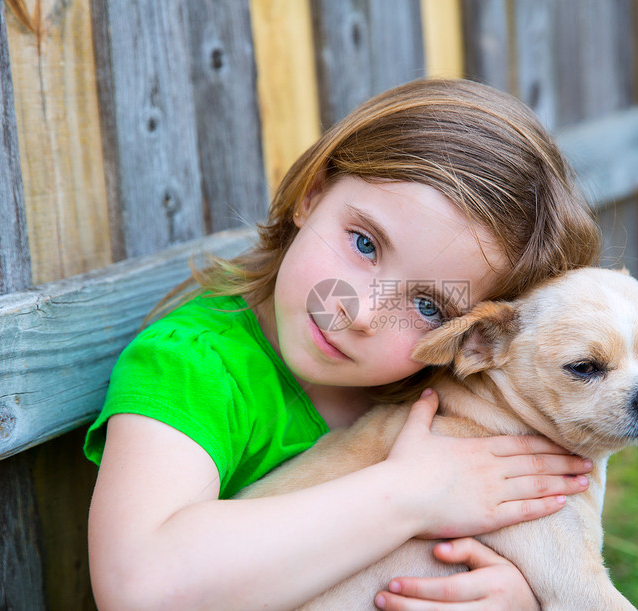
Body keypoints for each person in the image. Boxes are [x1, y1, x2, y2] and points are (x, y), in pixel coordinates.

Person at [85, 78, 601, 610]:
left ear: (472, 337)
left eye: (429, 307)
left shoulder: (437, 390)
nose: (362, 314)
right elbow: (140, 587)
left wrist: (514, 597)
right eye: (364, 243)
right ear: (312, 193)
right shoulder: (190, 366)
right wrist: (408, 496)